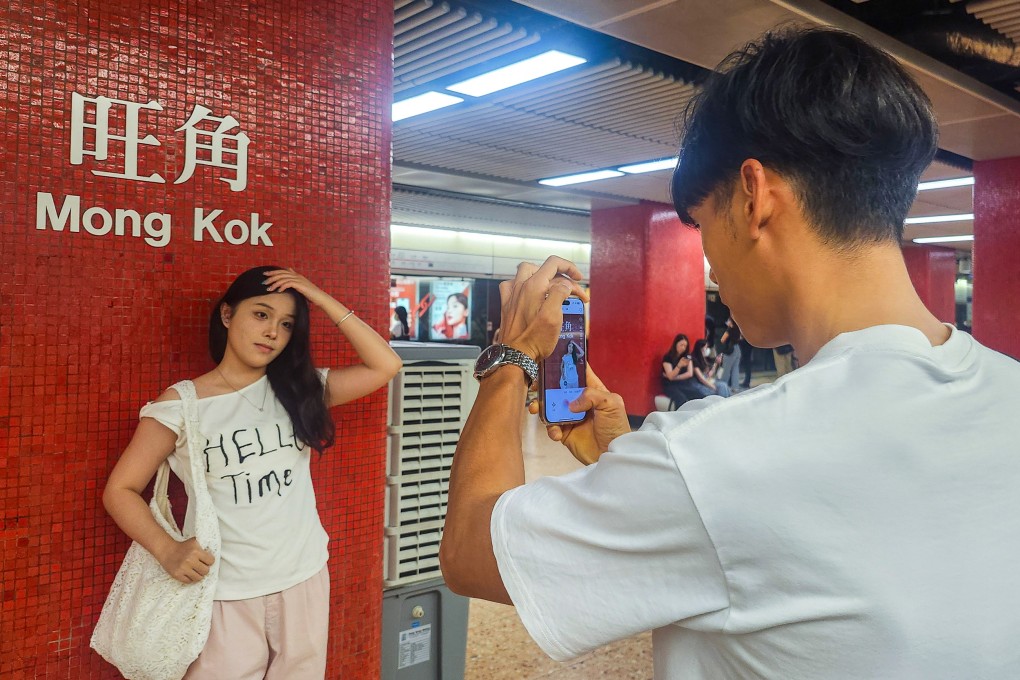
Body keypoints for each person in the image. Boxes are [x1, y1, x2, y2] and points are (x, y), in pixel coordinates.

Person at [440, 27, 1020, 680]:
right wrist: (621, 452)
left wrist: (511, 356)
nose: (710, 265)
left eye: (703, 225)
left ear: (754, 196)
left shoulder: (717, 456)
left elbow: (468, 550)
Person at [102, 266, 401, 679]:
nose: (273, 332)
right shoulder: (182, 405)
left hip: (304, 577)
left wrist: (318, 295)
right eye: (260, 315)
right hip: (225, 591)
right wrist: (168, 549)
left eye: (286, 323)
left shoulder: (299, 391)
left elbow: (386, 364)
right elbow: (120, 488)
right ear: (227, 315)